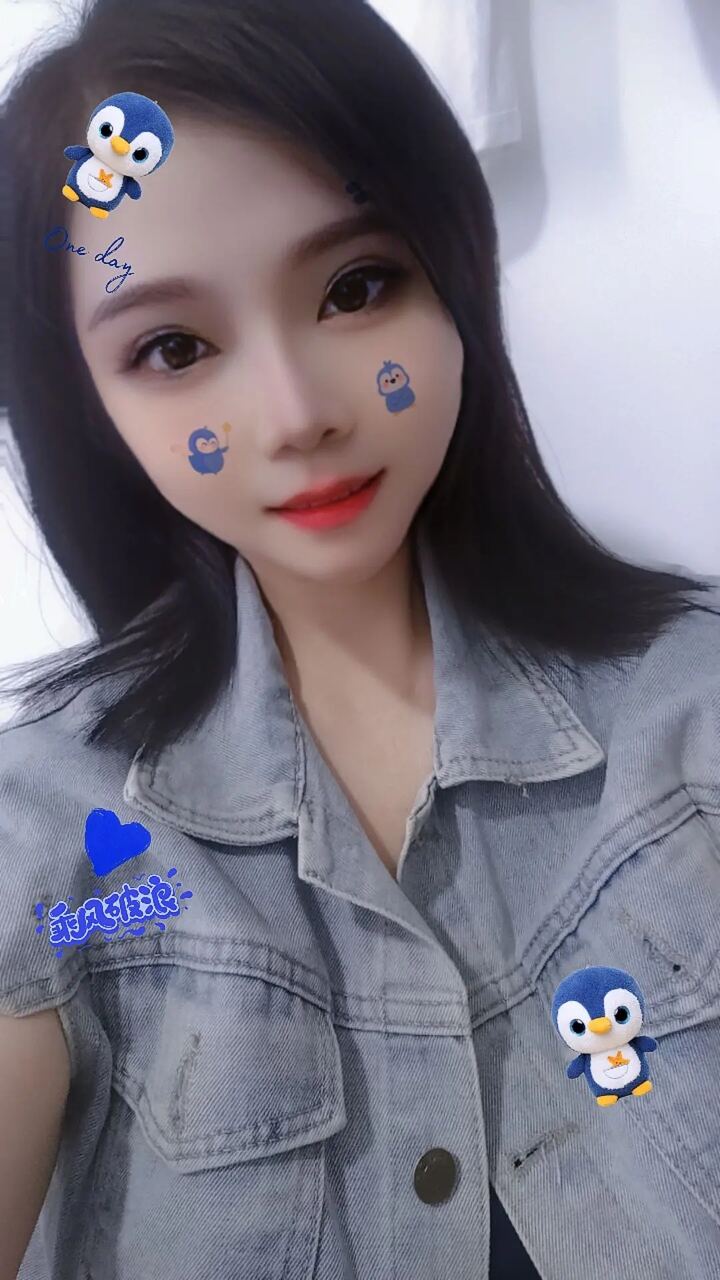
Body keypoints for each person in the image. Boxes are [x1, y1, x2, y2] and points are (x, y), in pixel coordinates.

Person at [0, 1, 719, 1277]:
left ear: (455, 270)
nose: (295, 415)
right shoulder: (55, 836)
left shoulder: (691, 708)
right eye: (174, 346)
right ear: (87, 403)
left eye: (357, 286)